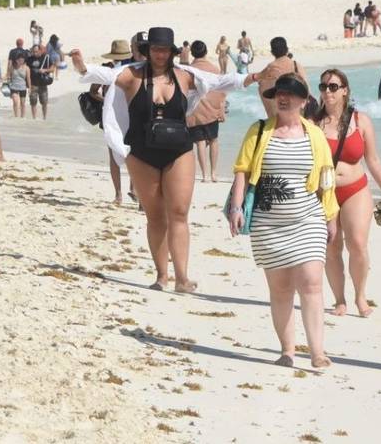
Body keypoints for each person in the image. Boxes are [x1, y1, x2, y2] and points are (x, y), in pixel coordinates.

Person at [71, 27, 261, 293]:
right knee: (156, 216)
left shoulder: (185, 76)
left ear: (172, 53)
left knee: (180, 213)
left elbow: (219, 81)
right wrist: (82, 67)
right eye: (155, 49)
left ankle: (182, 278)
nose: (159, 54)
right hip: (142, 153)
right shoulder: (131, 76)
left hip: (179, 150)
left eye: (164, 50)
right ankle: (162, 276)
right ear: (148, 51)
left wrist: (250, 78)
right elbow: (104, 75)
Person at [230, 72, 338, 368]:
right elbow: (242, 169)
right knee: (280, 290)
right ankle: (288, 350)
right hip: (268, 223)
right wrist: (236, 208)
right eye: (279, 93)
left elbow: (326, 177)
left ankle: (318, 352)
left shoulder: (314, 134)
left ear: (303, 101)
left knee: (312, 284)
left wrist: (331, 215)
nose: (283, 97)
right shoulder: (259, 130)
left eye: (290, 93)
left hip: (308, 218)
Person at [314, 69, 381, 317]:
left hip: (355, 189)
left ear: (345, 90)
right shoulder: (313, 123)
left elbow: (374, 159)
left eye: (334, 87)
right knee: (332, 246)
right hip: (323, 193)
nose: (328, 91)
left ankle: (360, 295)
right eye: (324, 86)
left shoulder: (361, 121)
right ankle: (340, 299)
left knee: (357, 243)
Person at [91, 39, 136, 203]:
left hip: (111, 117)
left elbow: (93, 92)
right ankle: (132, 189)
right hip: (128, 116)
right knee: (133, 153)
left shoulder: (108, 70)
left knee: (115, 156)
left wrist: (106, 102)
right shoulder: (132, 70)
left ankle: (119, 194)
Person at [186, 40, 226, 183]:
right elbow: (221, 90)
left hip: (194, 111)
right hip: (212, 110)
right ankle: (214, 173)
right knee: (214, 140)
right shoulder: (214, 69)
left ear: (192, 53)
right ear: (206, 52)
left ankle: (204, 175)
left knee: (200, 142)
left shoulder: (188, 70)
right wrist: (221, 109)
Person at [258, 37, 308, 118]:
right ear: (287, 50)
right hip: (297, 122)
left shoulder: (265, 73)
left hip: (272, 124)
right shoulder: (297, 67)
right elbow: (307, 94)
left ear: (272, 52)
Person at [27, 44, 53, 120]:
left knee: (44, 102)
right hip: (33, 84)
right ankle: (34, 118)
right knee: (33, 102)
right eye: (33, 51)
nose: (35, 53)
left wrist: (45, 70)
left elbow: (52, 68)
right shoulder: (29, 59)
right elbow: (26, 69)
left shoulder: (46, 57)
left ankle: (44, 118)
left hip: (43, 84)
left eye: (36, 51)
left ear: (40, 51)